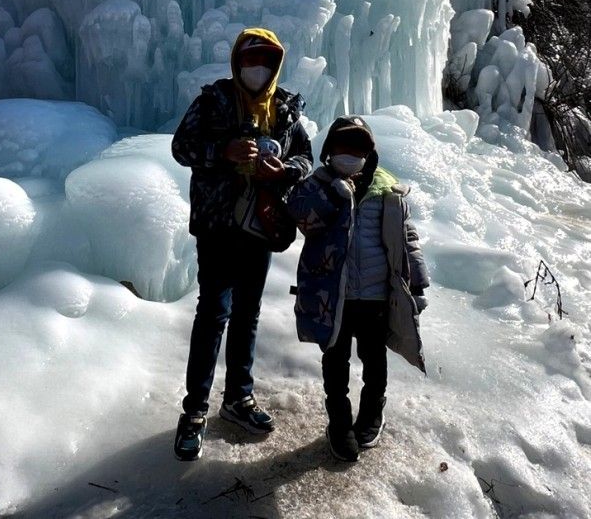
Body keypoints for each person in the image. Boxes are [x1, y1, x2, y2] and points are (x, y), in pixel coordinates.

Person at [171, 27, 313, 462]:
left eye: (267, 62)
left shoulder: (286, 109)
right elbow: (182, 147)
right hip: (218, 224)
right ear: (237, 63)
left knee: (247, 313)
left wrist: (283, 170)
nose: (259, 69)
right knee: (214, 312)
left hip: (262, 224)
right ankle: (194, 411)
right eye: (251, 61)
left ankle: (238, 398)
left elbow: (306, 160)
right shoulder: (212, 101)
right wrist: (223, 152)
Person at [286, 115, 429, 462]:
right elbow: (300, 216)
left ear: (370, 153)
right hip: (333, 296)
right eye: (343, 146)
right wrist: (332, 196)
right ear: (329, 151)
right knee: (335, 361)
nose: (350, 154)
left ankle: (371, 414)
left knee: (374, 359)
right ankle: (338, 422)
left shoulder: (387, 191)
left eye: (358, 147)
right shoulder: (316, 185)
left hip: (375, 294)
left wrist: (418, 282)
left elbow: (406, 237)